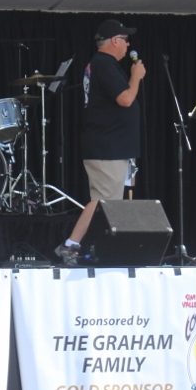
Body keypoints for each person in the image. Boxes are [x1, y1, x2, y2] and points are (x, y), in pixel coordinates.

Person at [55, 19, 145, 266]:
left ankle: (112, 247)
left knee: (113, 202)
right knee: (103, 201)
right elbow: (125, 99)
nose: (128, 45)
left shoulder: (103, 65)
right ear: (115, 40)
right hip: (108, 147)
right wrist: (135, 76)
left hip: (116, 146)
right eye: (125, 40)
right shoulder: (104, 64)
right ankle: (71, 245)